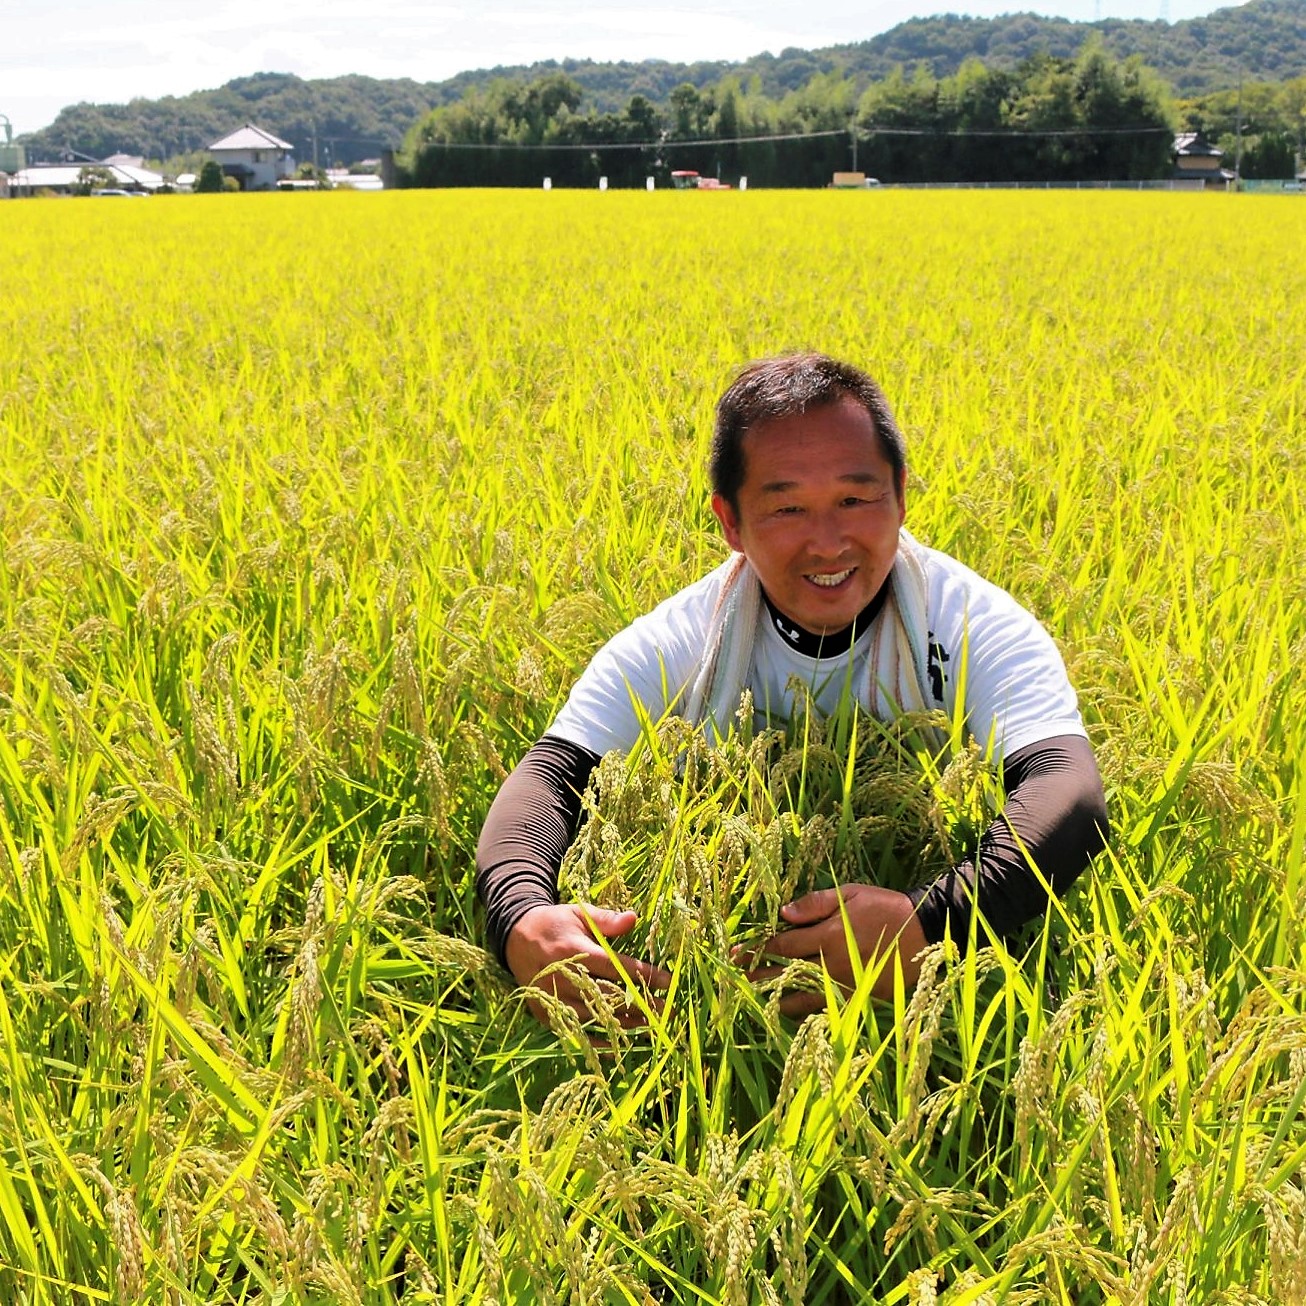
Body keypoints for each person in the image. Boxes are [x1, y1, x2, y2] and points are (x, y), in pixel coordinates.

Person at [476, 353, 1108, 1021]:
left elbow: (1068, 793)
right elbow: (552, 776)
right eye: (787, 510)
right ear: (731, 523)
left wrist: (933, 922)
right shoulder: (688, 638)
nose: (828, 542)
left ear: (899, 494)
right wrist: (521, 919)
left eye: (854, 499)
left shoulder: (968, 621)